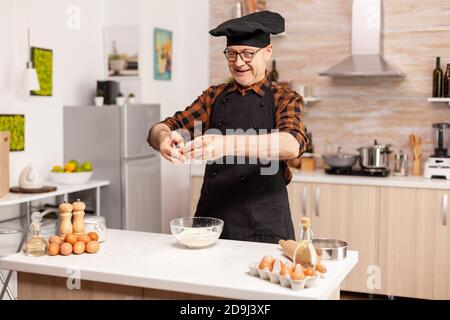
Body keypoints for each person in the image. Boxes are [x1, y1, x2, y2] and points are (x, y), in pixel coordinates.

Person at [148, 10, 308, 243]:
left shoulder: (283, 98)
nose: (239, 62)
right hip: (211, 223)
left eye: (247, 54)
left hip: (265, 225)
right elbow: (163, 127)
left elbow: (292, 144)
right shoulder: (213, 97)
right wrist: (163, 139)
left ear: (267, 53)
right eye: (231, 54)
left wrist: (225, 144)